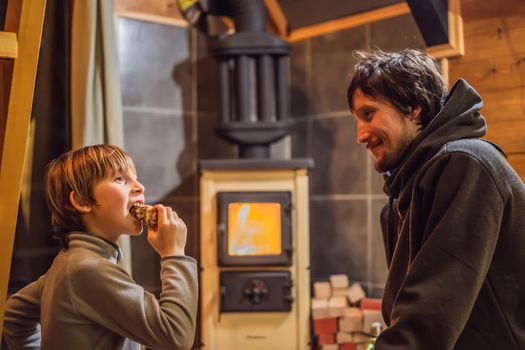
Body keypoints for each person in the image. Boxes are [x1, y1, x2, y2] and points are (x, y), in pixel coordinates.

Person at [347, 49, 525, 349]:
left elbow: (431, 310)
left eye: (369, 114)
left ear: (412, 106)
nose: (360, 134)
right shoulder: (401, 197)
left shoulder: (465, 164)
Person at [3, 144, 198, 350]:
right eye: (120, 179)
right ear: (81, 200)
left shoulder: (71, 263)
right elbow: (176, 336)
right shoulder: (86, 270)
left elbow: (15, 314)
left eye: (135, 177)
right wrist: (173, 253)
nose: (140, 186)